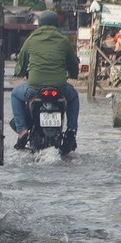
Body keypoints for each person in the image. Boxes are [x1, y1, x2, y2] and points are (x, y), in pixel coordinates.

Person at [8, 10, 81, 151]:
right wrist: (73, 74)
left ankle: (22, 130)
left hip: (35, 87)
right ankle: (71, 131)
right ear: (56, 24)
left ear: (39, 24)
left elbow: (21, 66)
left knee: (15, 94)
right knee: (74, 96)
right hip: (59, 88)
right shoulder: (63, 40)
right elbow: (73, 66)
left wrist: (19, 73)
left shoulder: (30, 40)